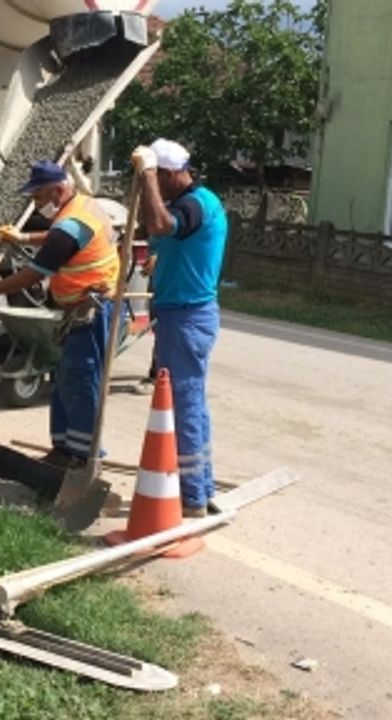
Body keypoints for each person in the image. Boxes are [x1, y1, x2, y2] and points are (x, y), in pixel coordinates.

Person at [0, 160, 120, 468]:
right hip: (81, 307)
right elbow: (63, 237)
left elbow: (33, 274)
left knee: (80, 379)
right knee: (64, 378)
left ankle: (84, 456)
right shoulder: (84, 207)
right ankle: (63, 449)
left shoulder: (70, 225)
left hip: (90, 310)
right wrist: (24, 238)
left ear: (58, 190)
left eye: (38, 197)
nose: (36, 205)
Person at [130, 139, 228, 517]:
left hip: (188, 317)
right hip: (182, 314)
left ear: (170, 175)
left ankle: (190, 497)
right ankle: (200, 488)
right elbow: (151, 226)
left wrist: (148, 174)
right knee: (192, 405)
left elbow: (158, 223)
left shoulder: (196, 204)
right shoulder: (189, 202)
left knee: (184, 406)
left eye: (159, 179)